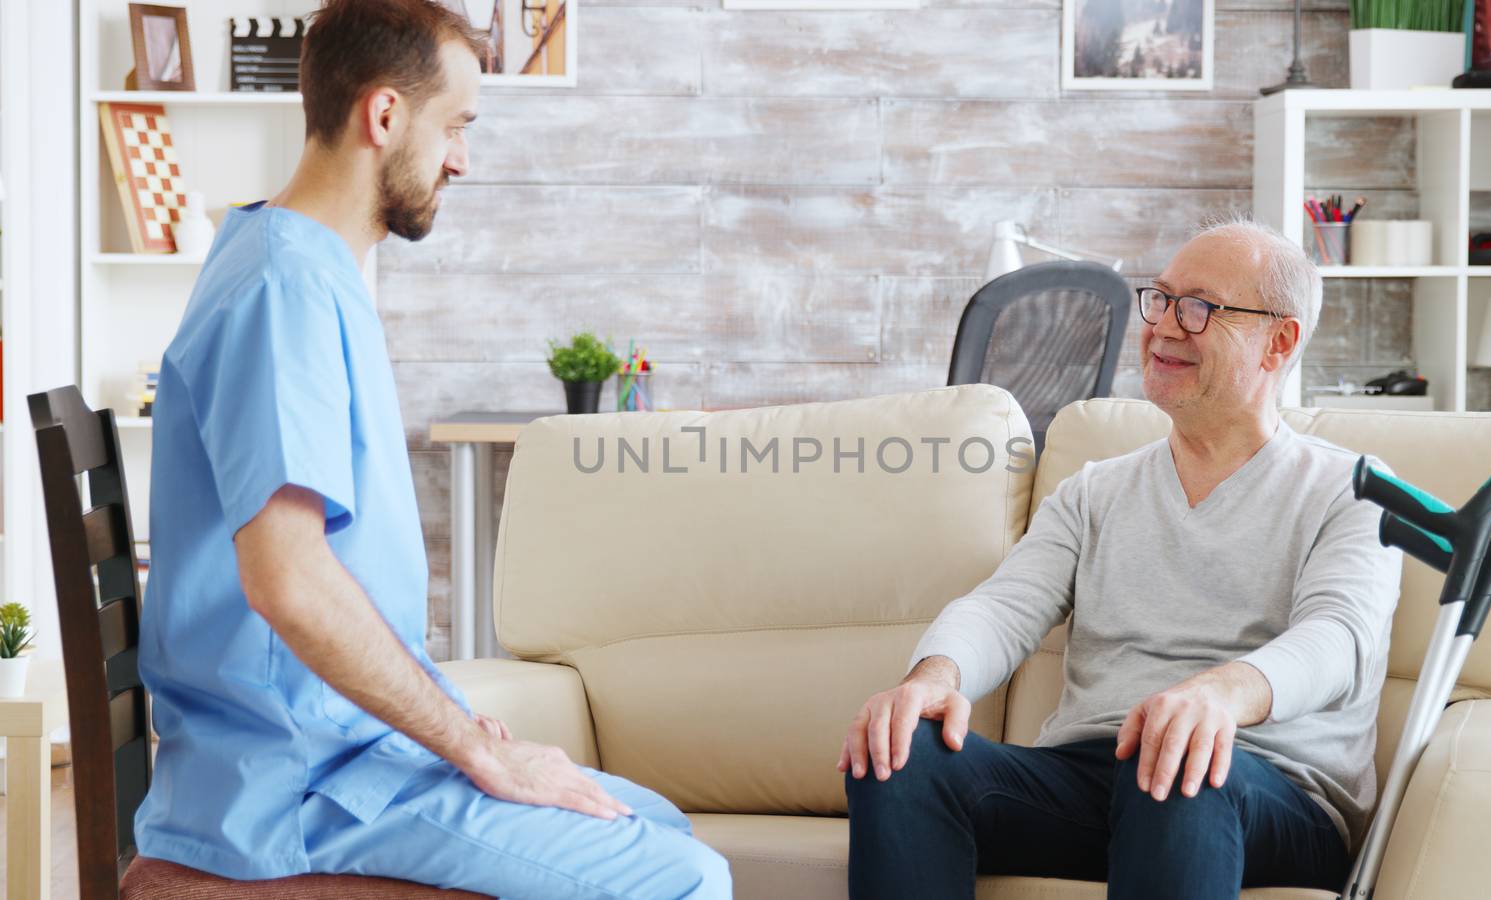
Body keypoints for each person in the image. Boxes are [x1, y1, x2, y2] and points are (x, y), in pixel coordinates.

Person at [136, 2, 730, 896]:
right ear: (383, 116)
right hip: (294, 788)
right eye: (455, 126)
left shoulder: (301, 267)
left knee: (658, 825)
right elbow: (288, 582)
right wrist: (472, 750)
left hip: (345, 753)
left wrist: (467, 734)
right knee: (676, 879)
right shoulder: (281, 292)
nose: (462, 157)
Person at [839, 218, 1402, 899]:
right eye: (1160, 299)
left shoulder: (1352, 490)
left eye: (1199, 308)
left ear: (1277, 341)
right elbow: (1004, 605)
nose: (1164, 326)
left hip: (1267, 793)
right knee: (902, 754)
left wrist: (1217, 695)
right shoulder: (1095, 491)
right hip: (1094, 778)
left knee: (1180, 761)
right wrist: (934, 679)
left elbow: (1339, 640)